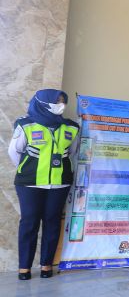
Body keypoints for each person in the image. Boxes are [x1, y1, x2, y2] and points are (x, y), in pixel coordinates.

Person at [8, 89, 80, 280]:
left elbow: (72, 153)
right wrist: (31, 169)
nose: (61, 105)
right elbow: (14, 152)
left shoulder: (71, 127)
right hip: (30, 184)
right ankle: (24, 267)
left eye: (63, 102)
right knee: (29, 223)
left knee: (52, 222)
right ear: (42, 102)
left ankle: (46, 265)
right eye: (57, 101)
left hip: (59, 184)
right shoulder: (26, 124)